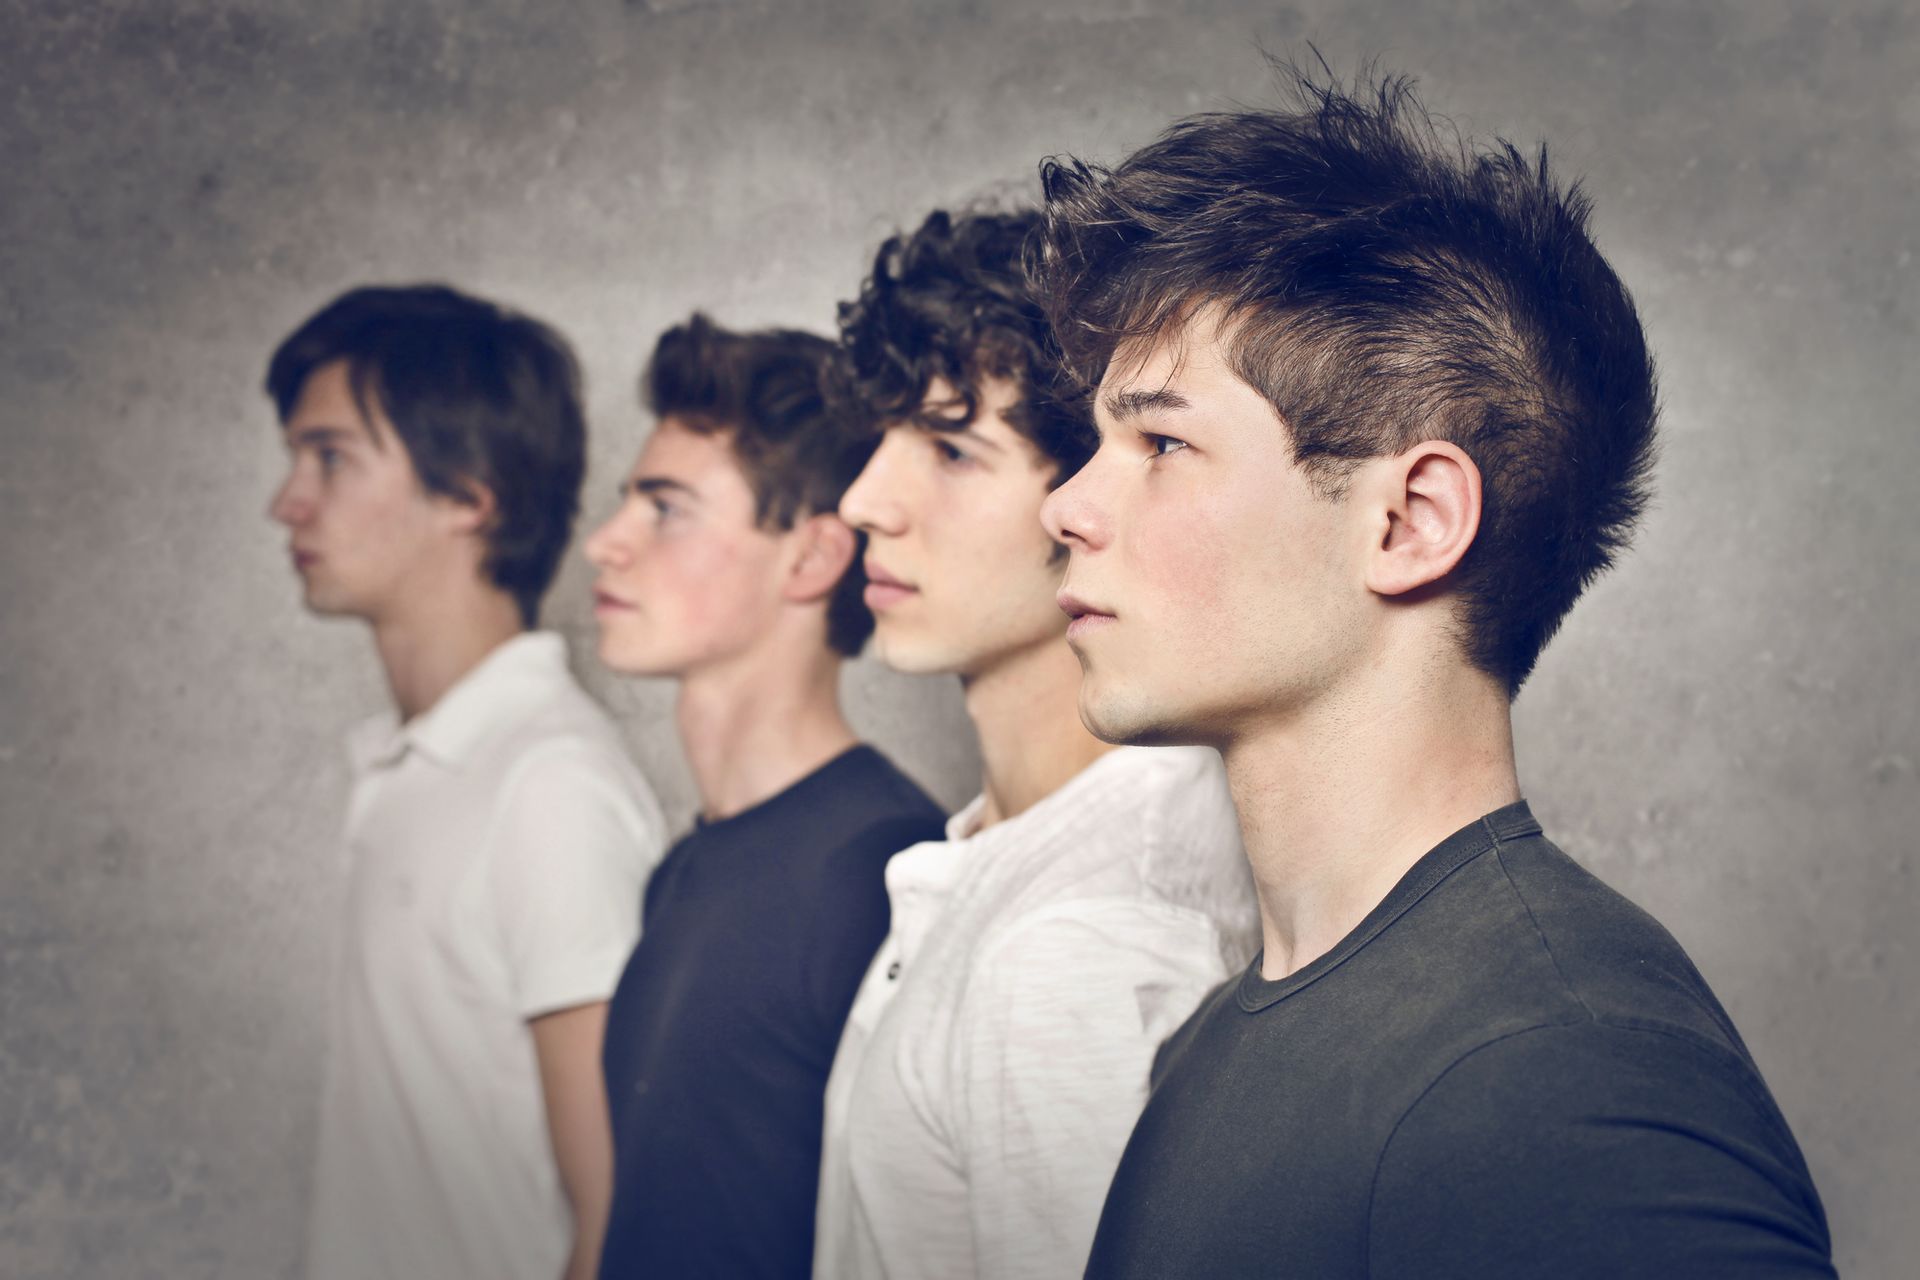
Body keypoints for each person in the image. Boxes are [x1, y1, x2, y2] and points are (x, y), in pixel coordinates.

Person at [1032, 71, 1837, 1277]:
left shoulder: (1564, 1071)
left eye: (1160, 442)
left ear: (1411, 521)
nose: (1065, 503)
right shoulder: (1217, 1040)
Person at [813, 209, 1259, 1280]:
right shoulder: (1020, 854)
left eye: (954, 450)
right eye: (884, 438)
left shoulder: (1080, 941)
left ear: (1091, 494)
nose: (864, 499)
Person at [267, 285, 665, 1280]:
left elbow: (618, 1214)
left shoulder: (548, 786)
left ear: (469, 493)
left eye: (330, 457)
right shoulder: (413, 764)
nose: (288, 500)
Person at [583, 315, 946, 1279]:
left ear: (815, 557)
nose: (604, 544)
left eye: (665, 508)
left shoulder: (885, 871)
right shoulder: (682, 870)